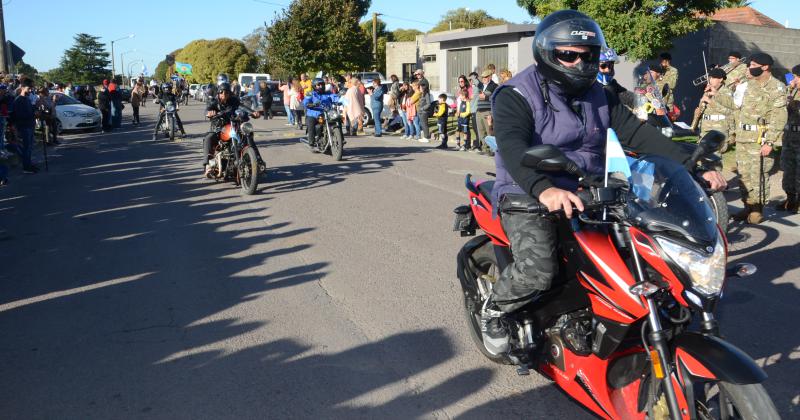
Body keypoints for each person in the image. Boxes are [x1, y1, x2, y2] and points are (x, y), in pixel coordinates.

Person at [485, 10, 726, 354]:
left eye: (588, 56)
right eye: (568, 54)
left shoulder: (601, 94)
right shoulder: (516, 94)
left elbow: (639, 134)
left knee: (644, 251)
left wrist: (691, 167)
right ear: (546, 53)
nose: (578, 63)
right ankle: (495, 310)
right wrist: (544, 188)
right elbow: (512, 147)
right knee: (539, 270)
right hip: (529, 189)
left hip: (590, 186)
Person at [703, 52, 786, 224]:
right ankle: (747, 206)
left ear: (765, 67)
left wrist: (770, 141)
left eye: (753, 65)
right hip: (743, 137)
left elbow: (779, 116)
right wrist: (716, 93)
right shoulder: (747, 86)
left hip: (759, 139)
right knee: (743, 174)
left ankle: (757, 209)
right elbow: (734, 105)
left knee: (758, 175)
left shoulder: (776, 87)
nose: (749, 68)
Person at [203, 82, 264, 174]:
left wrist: (253, 112)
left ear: (229, 93)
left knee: (248, 134)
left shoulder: (233, 100)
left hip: (233, 125)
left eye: (226, 93)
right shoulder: (214, 102)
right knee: (208, 138)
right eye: (222, 93)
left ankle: (258, 161)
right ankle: (207, 165)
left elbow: (241, 106)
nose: (224, 95)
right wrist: (209, 113)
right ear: (219, 93)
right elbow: (207, 110)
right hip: (219, 128)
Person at [778, 64, 800, 213]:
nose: (795, 80)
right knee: (788, 168)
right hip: (789, 136)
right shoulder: (793, 90)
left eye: (797, 77)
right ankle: (790, 198)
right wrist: (789, 90)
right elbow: (780, 105)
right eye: (794, 77)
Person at [698, 68, 733, 152]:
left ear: (721, 79)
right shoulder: (708, 90)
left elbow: (729, 111)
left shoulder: (726, 92)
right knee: (702, 153)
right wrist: (702, 101)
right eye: (710, 77)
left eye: (713, 78)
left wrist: (710, 101)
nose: (710, 80)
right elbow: (702, 108)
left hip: (719, 126)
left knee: (715, 153)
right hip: (705, 125)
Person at [8, 78, 38, 173]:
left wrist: (35, 109)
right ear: (23, 87)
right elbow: (19, 115)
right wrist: (33, 114)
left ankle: (29, 164)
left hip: (30, 125)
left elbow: (30, 111)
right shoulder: (19, 100)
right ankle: (26, 167)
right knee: (26, 147)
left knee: (29, 147)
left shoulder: (27, 99)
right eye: (29, 88)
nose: (30, 90)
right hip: (24, 126)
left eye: (31, 88)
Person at [303, 78, 339, 148]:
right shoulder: (311, 93)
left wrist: (340, 100)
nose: (321, 86)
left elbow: (334, 97)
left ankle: (341, 139)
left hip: (326, 113)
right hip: (313, 114)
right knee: (311, 123)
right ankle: (311, 141)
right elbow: (305, 101)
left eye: (322, 84)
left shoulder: (328, 93)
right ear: (314, 86)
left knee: (338, 119)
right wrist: (309, 104)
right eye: (318, 85)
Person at [476, 69, 498, 155]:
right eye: (482, 77)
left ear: (490, 77)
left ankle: (492, 149)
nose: (483, 79)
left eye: (485, 77)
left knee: (489, 130)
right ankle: (484, 149)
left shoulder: (494, 86)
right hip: (479, 110)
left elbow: (495, 98)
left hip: (488, 111)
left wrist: (485, 97)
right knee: (481, 131)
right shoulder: (481, 86)